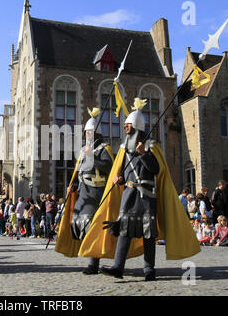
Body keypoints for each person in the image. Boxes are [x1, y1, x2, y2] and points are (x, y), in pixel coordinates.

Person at [76, 99, 200, 281]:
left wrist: (144, 155)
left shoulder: (151, 146)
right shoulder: (125, 149)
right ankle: (118, 267)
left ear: (135, 126)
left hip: (146, 196)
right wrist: (119, 180)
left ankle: (149, 269)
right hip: (129, 195)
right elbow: (127, 173)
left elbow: (156, 170)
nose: (125, 128)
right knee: (125, 230)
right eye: (125, 125)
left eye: (127, 125)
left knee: (148, 233)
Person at [56, 107, 114, 275]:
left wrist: (92, 156)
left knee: (91, 225)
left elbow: (108, 167)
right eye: (86, 132)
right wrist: (72, 185)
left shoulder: (104, 148)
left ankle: (93, 263)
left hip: (96, 191)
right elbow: (79, 170)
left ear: (97, 133)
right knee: (77, 223)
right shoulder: (83, 150)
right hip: (82, 191)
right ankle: (88, 254)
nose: (87, 135)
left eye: (89, 132)